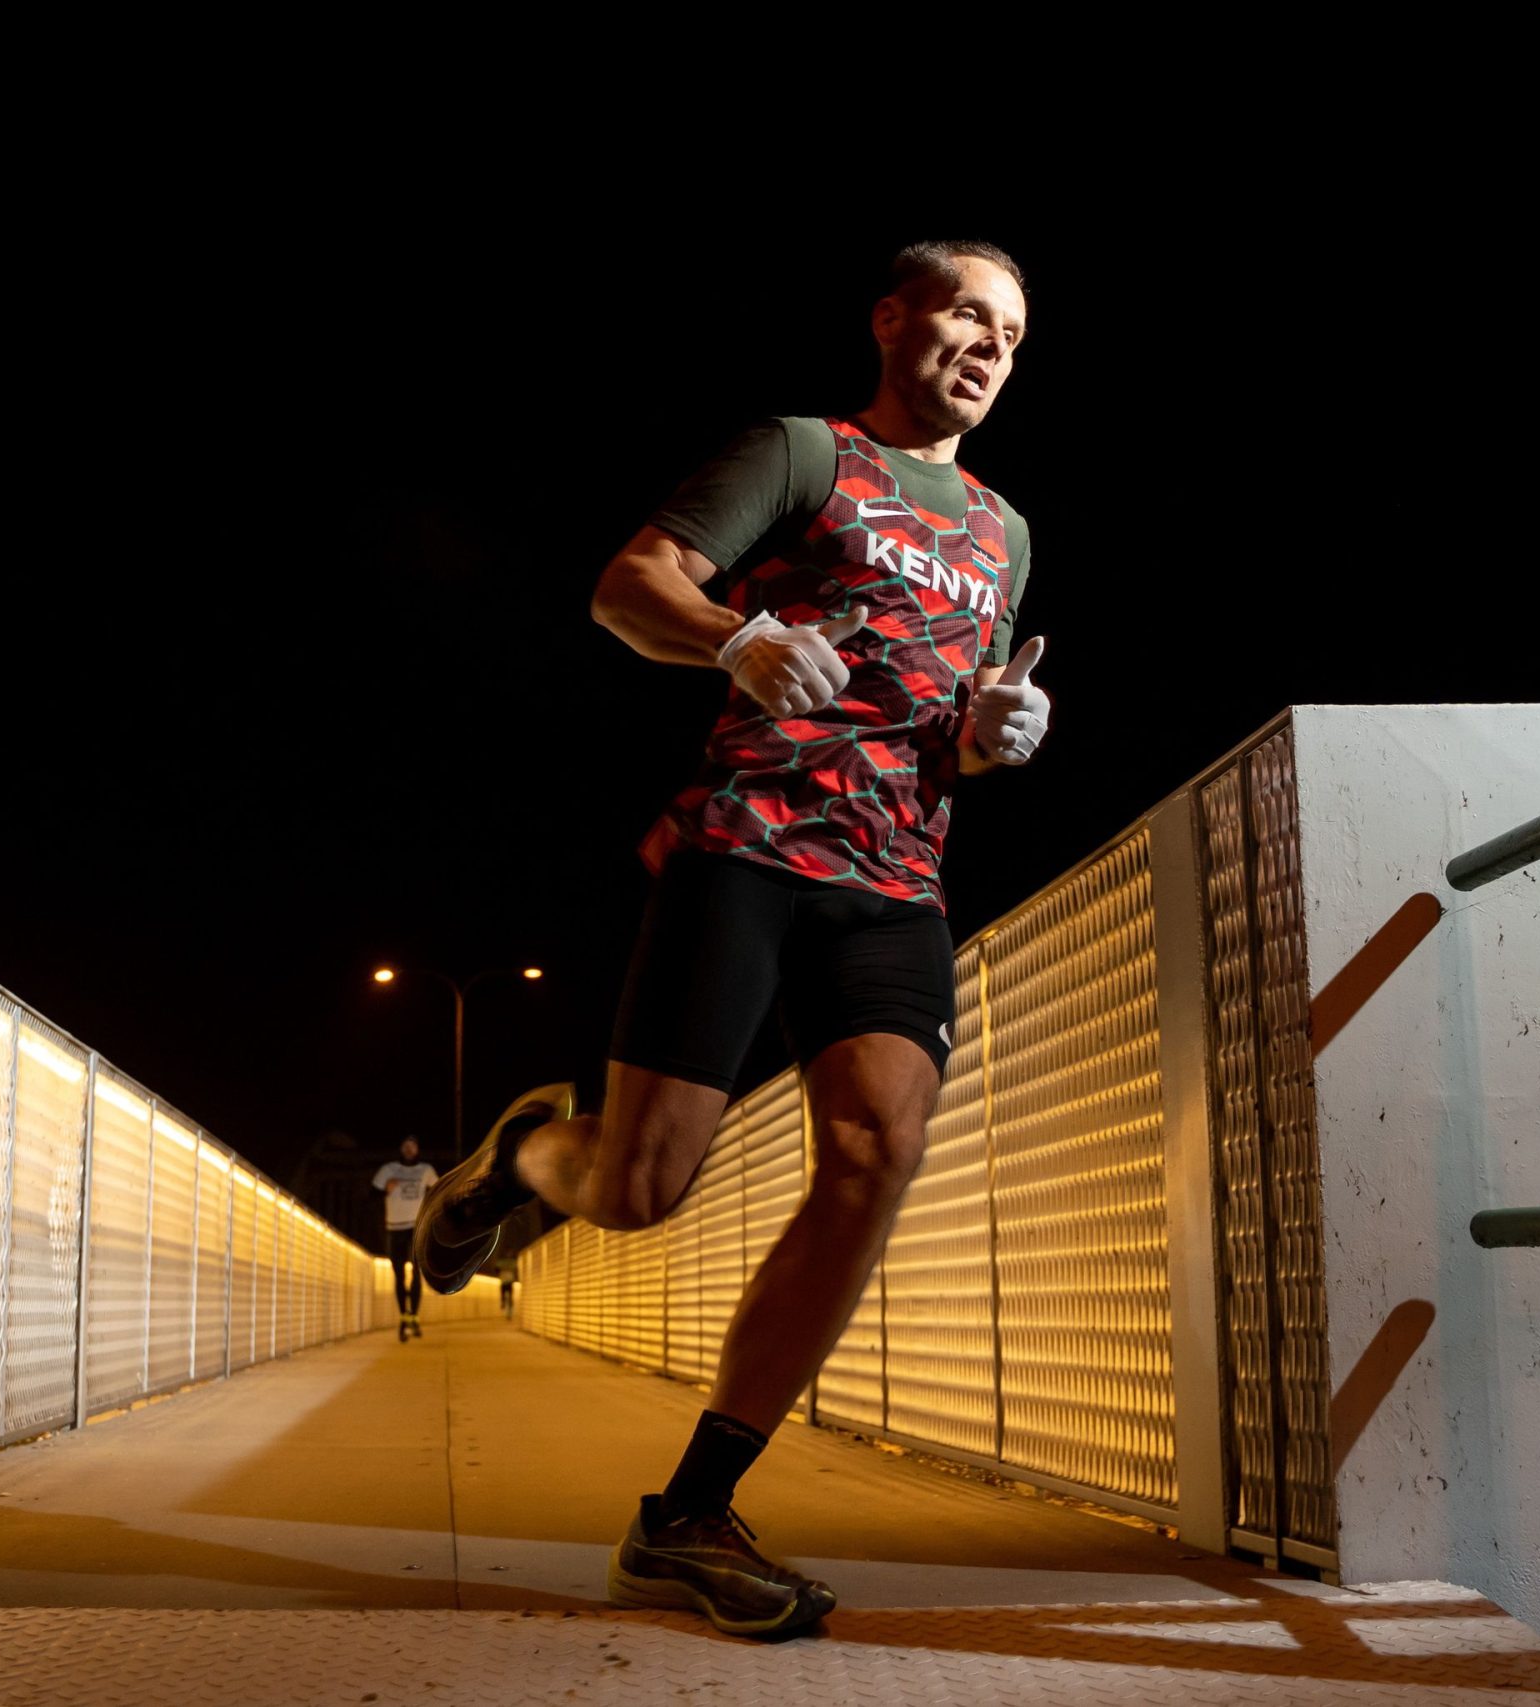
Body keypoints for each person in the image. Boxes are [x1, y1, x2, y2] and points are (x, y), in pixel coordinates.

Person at [415, 239, 1049, 1640]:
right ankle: (521, 1157)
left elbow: (957, 718)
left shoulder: (1004, 532)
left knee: (877, 1153)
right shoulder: (805, 454)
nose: (988, 346)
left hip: (896, 879)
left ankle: (689, 1512)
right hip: (749, 847)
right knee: (638, 1188)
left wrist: (998, 734)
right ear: (891, 318)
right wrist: (732, 637)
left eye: (1011, 333)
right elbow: (628, 585)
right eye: (965, 314)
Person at [372, 1138, 439, 1340]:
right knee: (399, 1275)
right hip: (395, 1227)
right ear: (401, 1148)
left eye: (413, 1146)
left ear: (417, 1149)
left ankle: (414, 1317)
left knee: (417, 1273)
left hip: (417, 1227)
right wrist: (385, 1189)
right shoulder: (388, 1169)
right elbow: (370, 1195)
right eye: (406, 1146)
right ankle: (403, 1316)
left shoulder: (426, 1170)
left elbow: (439, 1191)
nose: (409, 1149)